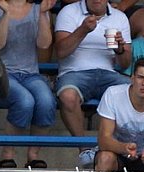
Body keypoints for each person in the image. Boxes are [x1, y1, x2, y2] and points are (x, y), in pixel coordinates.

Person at [53, 0, 133, 154]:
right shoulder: (69, 12)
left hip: (108, 74)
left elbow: (125, 64)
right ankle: (85, 151)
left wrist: (120, 50)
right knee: (68, 96)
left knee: (135, 91)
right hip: (74, 73)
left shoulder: (120, 17)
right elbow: (61, 52)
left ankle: (126, 148)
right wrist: (82, 30)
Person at [0, 0, 56, 169]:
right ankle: (8, 152)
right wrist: (7, 13)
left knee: (46, 101)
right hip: (1, 74)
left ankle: (33, 154)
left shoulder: (40, 8)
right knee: (25, 101)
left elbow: (44, 44)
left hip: (30, 73)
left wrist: (42, 15)